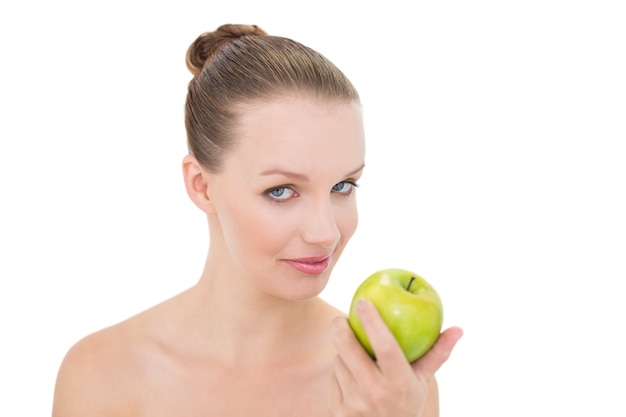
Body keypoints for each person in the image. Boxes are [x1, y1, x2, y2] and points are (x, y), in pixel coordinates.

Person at [52, 23, 463, 417]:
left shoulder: (389, 389)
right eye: (281, 190)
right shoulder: (101, 375)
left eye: (343, 186)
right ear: (202, 186)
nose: (326, 233)